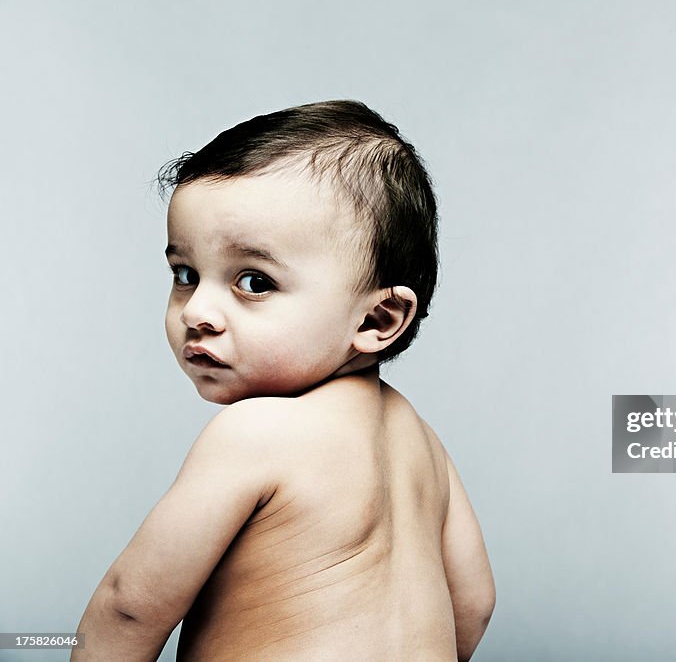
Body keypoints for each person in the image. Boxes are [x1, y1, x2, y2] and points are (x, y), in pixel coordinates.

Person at [73, 101, 495, 661]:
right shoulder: (424, 445)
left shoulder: (258, 431)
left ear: (377, 320)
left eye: (253, 281)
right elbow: (474, 604)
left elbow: (130, 605)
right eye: (185, 274)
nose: (198, 310)